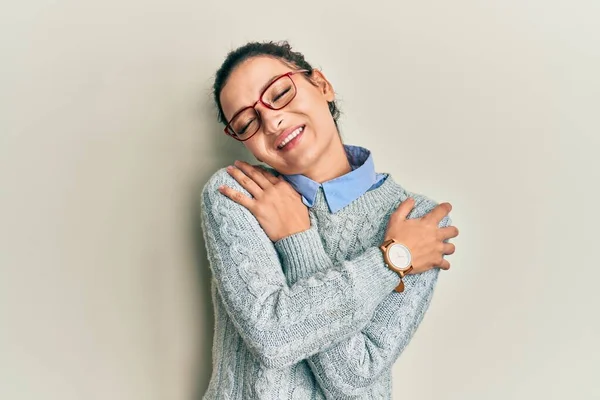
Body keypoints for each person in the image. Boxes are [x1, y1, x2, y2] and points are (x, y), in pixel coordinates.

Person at [200, 40, 459, 400]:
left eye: (279, 93)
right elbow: (271, 337)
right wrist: (390, 260)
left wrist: (296, 237)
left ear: (322, 85)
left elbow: (355, 377)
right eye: (247, 122)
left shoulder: (418, 221)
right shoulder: (238, 194)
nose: (271, 120)